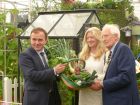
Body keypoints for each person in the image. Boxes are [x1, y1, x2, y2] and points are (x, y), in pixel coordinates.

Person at [92, 24, 140, 105]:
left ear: (116, 36)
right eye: (102, 37)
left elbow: (126, 77)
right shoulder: (112, 51)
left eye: (106, 36)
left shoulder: (123, 49)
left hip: (122, 101)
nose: (103, 39)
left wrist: (102, 84)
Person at [19, 27, 66, 105]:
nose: (37, 43)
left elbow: (49, 73)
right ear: (30, 40)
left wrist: (58, 72)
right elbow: (32, 75)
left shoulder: (48, 53)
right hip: (36, 99)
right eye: (34, 39)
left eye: (40, 40)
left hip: (52, 98)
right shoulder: (25, 55)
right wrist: (54, 70)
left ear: (46, 40)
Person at [78, 27, 106, 105]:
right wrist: (78, 75)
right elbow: (79, 72)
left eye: (92, 37)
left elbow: (107, 73)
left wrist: (91, 80)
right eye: (87, 38)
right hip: (84, 92)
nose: (89, 40)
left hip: (97, 91)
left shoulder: (105, 54)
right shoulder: (82, 55)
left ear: (98, 38)